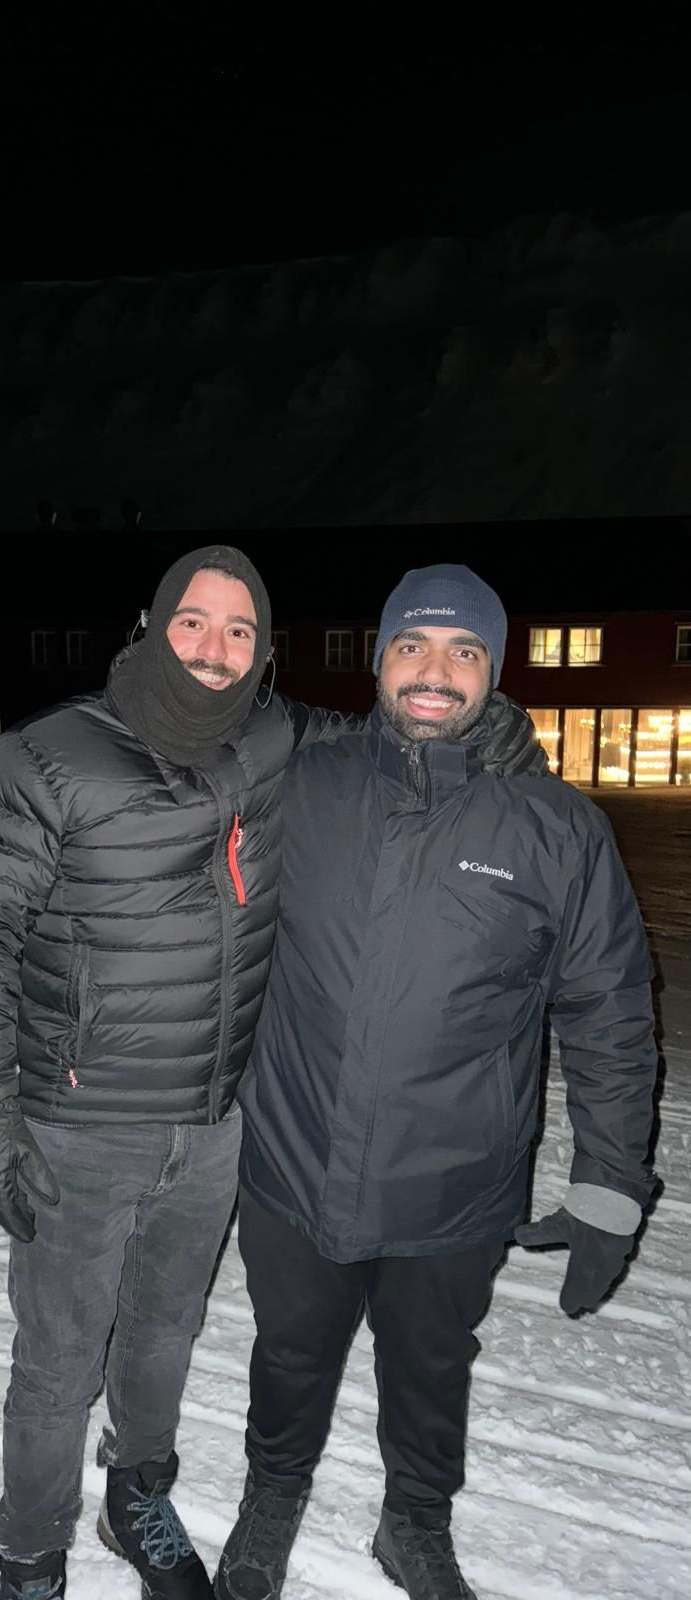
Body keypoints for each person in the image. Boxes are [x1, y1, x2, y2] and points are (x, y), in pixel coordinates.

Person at [215, 564, 657, 1600]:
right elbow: (184, 743)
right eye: (414, 644)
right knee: (288, 1357)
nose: (435, 672)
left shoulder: (555, 828)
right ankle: (270, 1496)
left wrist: (608, 1185)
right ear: (379, 660)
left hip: (455, 1187)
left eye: (466, 652)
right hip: (292, 1164)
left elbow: (611, 1013)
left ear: (494, 675)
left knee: (430, 1368)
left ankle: (413, 1520)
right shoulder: (302, 783)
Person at [0, 545, 352, 1600]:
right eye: (196, 623)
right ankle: (31, 1556)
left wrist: (476, 725)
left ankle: (138, 1494)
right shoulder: (52, 753)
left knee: (166, 1329)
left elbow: (393, 737)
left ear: (264, 650)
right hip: (78, 1125)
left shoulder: (275, 737)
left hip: (214, 1122)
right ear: (152, 624)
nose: (217, 649)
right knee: (58, 1361)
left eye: (241, 630)